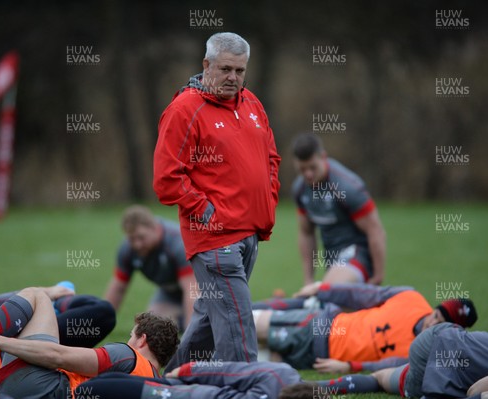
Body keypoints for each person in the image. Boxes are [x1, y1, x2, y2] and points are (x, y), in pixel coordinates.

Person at [153, 31, 281, 371]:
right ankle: (250, 388)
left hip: (250, 233)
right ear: (206, 64)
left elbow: (271, 158)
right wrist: (208, 212)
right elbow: (167, 179)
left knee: (210, 323)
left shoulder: (252, 102)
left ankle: (166, 383)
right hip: (215, 240)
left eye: (240, 71)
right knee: (238, 326)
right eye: (225, 69)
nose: (233, 78)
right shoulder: (184, 109)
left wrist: (268, 199)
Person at [0, 287, 179, 398]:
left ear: (142, 339)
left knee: (37, 296)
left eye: (132, 335)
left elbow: (57, 356)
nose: (128, 339)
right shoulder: (152, 384)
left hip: (44, 389)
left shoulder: (128, 355)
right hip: (26, 391)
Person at [253, 282, 477, 370]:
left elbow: (388, 367)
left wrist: (349, 367)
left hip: (320, 359)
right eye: (437, 315)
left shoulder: (422, 354)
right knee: (251, 324)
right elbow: (363, 294)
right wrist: (323, 289)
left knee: (256, 359)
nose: (433, 323)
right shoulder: (411, 298)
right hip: (322, 327)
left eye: (442, 324)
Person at [315, 323, 488, 399]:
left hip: (436, 354)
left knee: (381, 379)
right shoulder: (411, 299)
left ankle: (304, 388)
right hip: (442, 348)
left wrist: (354, 366)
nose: (430, 320)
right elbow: (481, 392)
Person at [291, 133, 386, 285]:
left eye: (312, 168)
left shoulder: (347, 187)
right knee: (329, 302)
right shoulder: (300, 189)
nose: (308, 174)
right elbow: (306, 233)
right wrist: (308, 280)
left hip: (358, 255)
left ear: (323, 157)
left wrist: (378, 277)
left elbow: (375, 229)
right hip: (333, 263)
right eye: (302, 169)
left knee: (329, 291)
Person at [104, 205, 197, 330]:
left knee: (198, 325)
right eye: (132, 239)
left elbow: (192, 290)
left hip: (201, 291)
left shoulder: (178, 243)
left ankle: (198, 320)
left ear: (156, 229)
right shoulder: (127, 249)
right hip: (170, 293)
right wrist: (101, 324)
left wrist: (191, 332)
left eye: (141, 237)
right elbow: (118, 288)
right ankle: (179, 319)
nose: (137, 244)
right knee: (150, 328)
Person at [71, 360, 308, 399]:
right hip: (184, 389)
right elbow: (225, 371)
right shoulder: (280, 376)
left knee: (93, 390)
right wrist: (186, 371)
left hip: (177, 394)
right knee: (101, 385)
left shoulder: (282, 375)